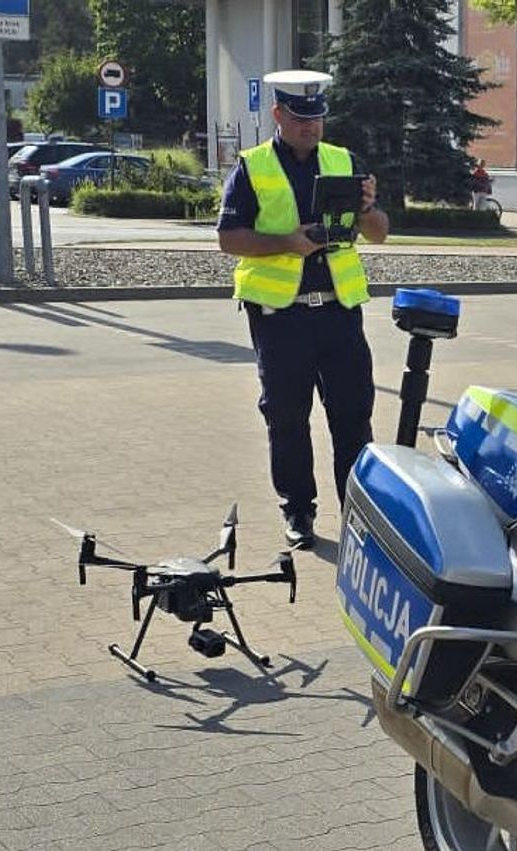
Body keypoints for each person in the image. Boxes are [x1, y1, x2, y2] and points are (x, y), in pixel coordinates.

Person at [217, 69, 390, 550]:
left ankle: (360, 514)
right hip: (281, 316)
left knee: (353, 417)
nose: (310, 127)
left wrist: (368, 208)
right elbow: (228, 239)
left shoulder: (343, 161)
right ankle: (299, 511)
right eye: (299, 118)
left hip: (339, 314)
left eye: (316, 118)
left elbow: (379, 233)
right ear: (278, 115)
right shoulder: (252, 168)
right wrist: (288, 244)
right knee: (288, 419)